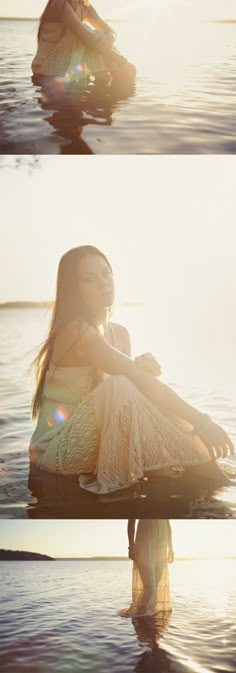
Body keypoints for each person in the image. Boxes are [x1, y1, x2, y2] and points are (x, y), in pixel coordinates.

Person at [29, 245, 234, 495]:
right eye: (89, 279)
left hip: (97, 441)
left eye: (106, 273)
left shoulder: (120, 333)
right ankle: (199, 473)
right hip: (55, 454)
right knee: (124, 385)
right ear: (75, 290)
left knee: (139, 390)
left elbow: (131, 400)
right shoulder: (77, 332)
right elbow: (121, 388)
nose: (103, 283)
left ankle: (199, 475)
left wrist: (140, 371)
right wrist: (203, 423)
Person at [32, 0, 136, 80]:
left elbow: (109, 30)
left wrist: (109, 37)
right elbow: (87, 38)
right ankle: (109, 73)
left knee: (101, 37)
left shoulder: (84, 5)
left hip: (65, 64)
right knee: (85, 32)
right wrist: (122, 61)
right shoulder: (60, 3)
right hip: (45, 68)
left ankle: (110, 74)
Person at [119, 519, 173, 617]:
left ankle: (145, 621)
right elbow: (131, 521)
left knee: (155, 585)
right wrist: (131, 546)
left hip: (162, 543)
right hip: (144, 541)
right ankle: (140, 615)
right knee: (150, 587)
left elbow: (167, 523)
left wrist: (171, 548)